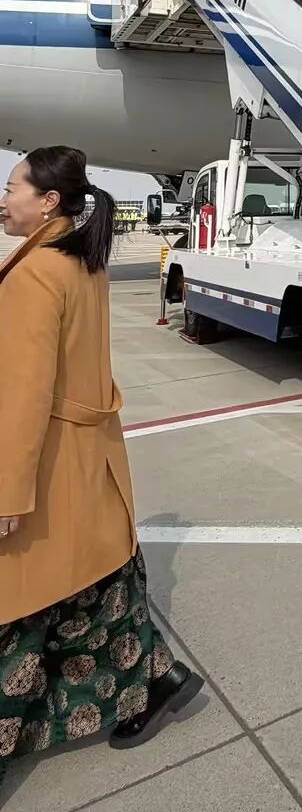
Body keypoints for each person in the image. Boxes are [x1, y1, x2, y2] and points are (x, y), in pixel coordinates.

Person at [0, 148, 202, 781]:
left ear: (47, 201)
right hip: (90, 458)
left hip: (50, 464)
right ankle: (157, 679)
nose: (3, 199)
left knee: (19, 608)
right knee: (97, 593)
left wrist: (9, 489)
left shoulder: (35, 273)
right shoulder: (81, 260)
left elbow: (24, 393)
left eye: (11, 188)